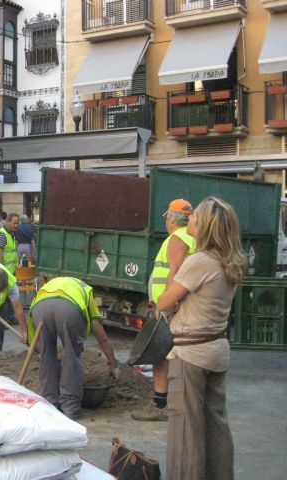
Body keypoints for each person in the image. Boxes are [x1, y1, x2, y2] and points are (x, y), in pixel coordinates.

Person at [157, 197, 245, 480]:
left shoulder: (199, 262)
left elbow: (163, 303)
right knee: (215, 425)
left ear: (204, 224)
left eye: (194, 217)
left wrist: (174, 266)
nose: (188, 220)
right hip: (216, 350)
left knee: (186, 433)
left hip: (190, 355)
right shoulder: (227, 260)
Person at [132, 198, 196, 422]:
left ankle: (160, 406)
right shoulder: (193, 238)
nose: (166, 221)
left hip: (169, 307)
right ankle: (180, 403)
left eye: (167, 217)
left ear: (171, 218)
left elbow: (176, 273)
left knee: (161, 355)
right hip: (179, 306)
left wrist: (168, 302)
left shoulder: (177, 239)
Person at [29, 277, 118, 421]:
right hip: (68, 309)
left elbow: (35, 344)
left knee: (46, 356)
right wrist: (112, 362)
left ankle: (50, 403)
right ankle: (70, 408)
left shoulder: (53, 284)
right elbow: (102, 337)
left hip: (40, 308)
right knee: (71, 355)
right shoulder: (85, 290)